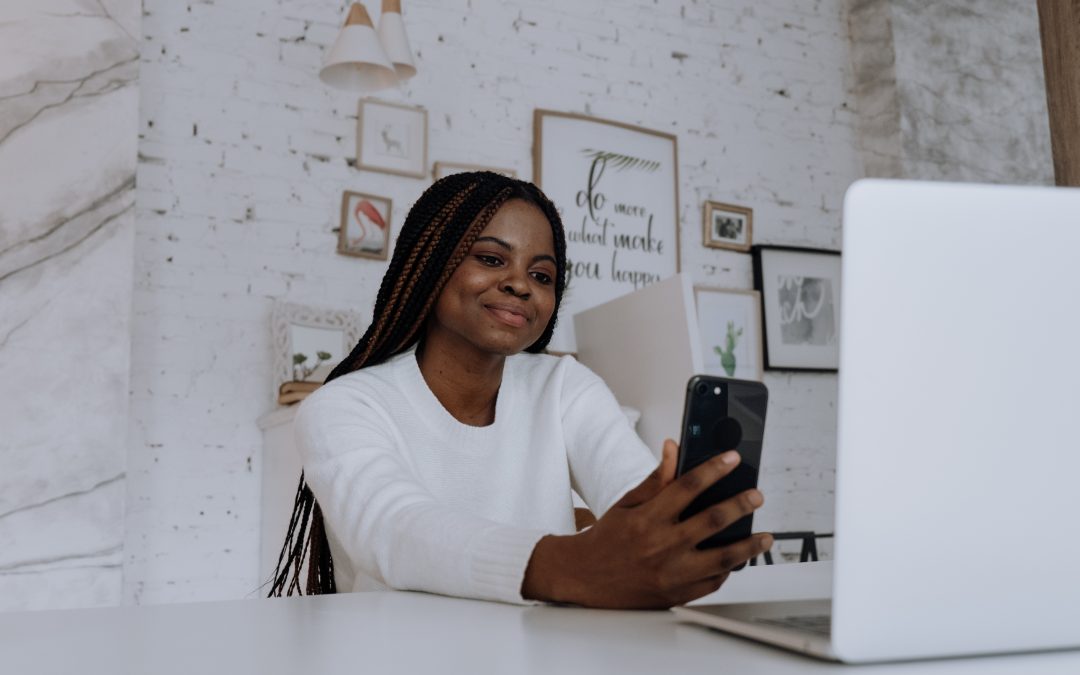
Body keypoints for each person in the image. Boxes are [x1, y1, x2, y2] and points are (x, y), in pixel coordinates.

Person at [269, 172, 772, 608]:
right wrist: (574, 564)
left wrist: (667, 514)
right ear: (430, 265)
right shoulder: (344, 405)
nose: (520, 284)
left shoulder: (562, 386)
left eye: (541, 274)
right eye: (490, 259)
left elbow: (628, 487)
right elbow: (394, 531)